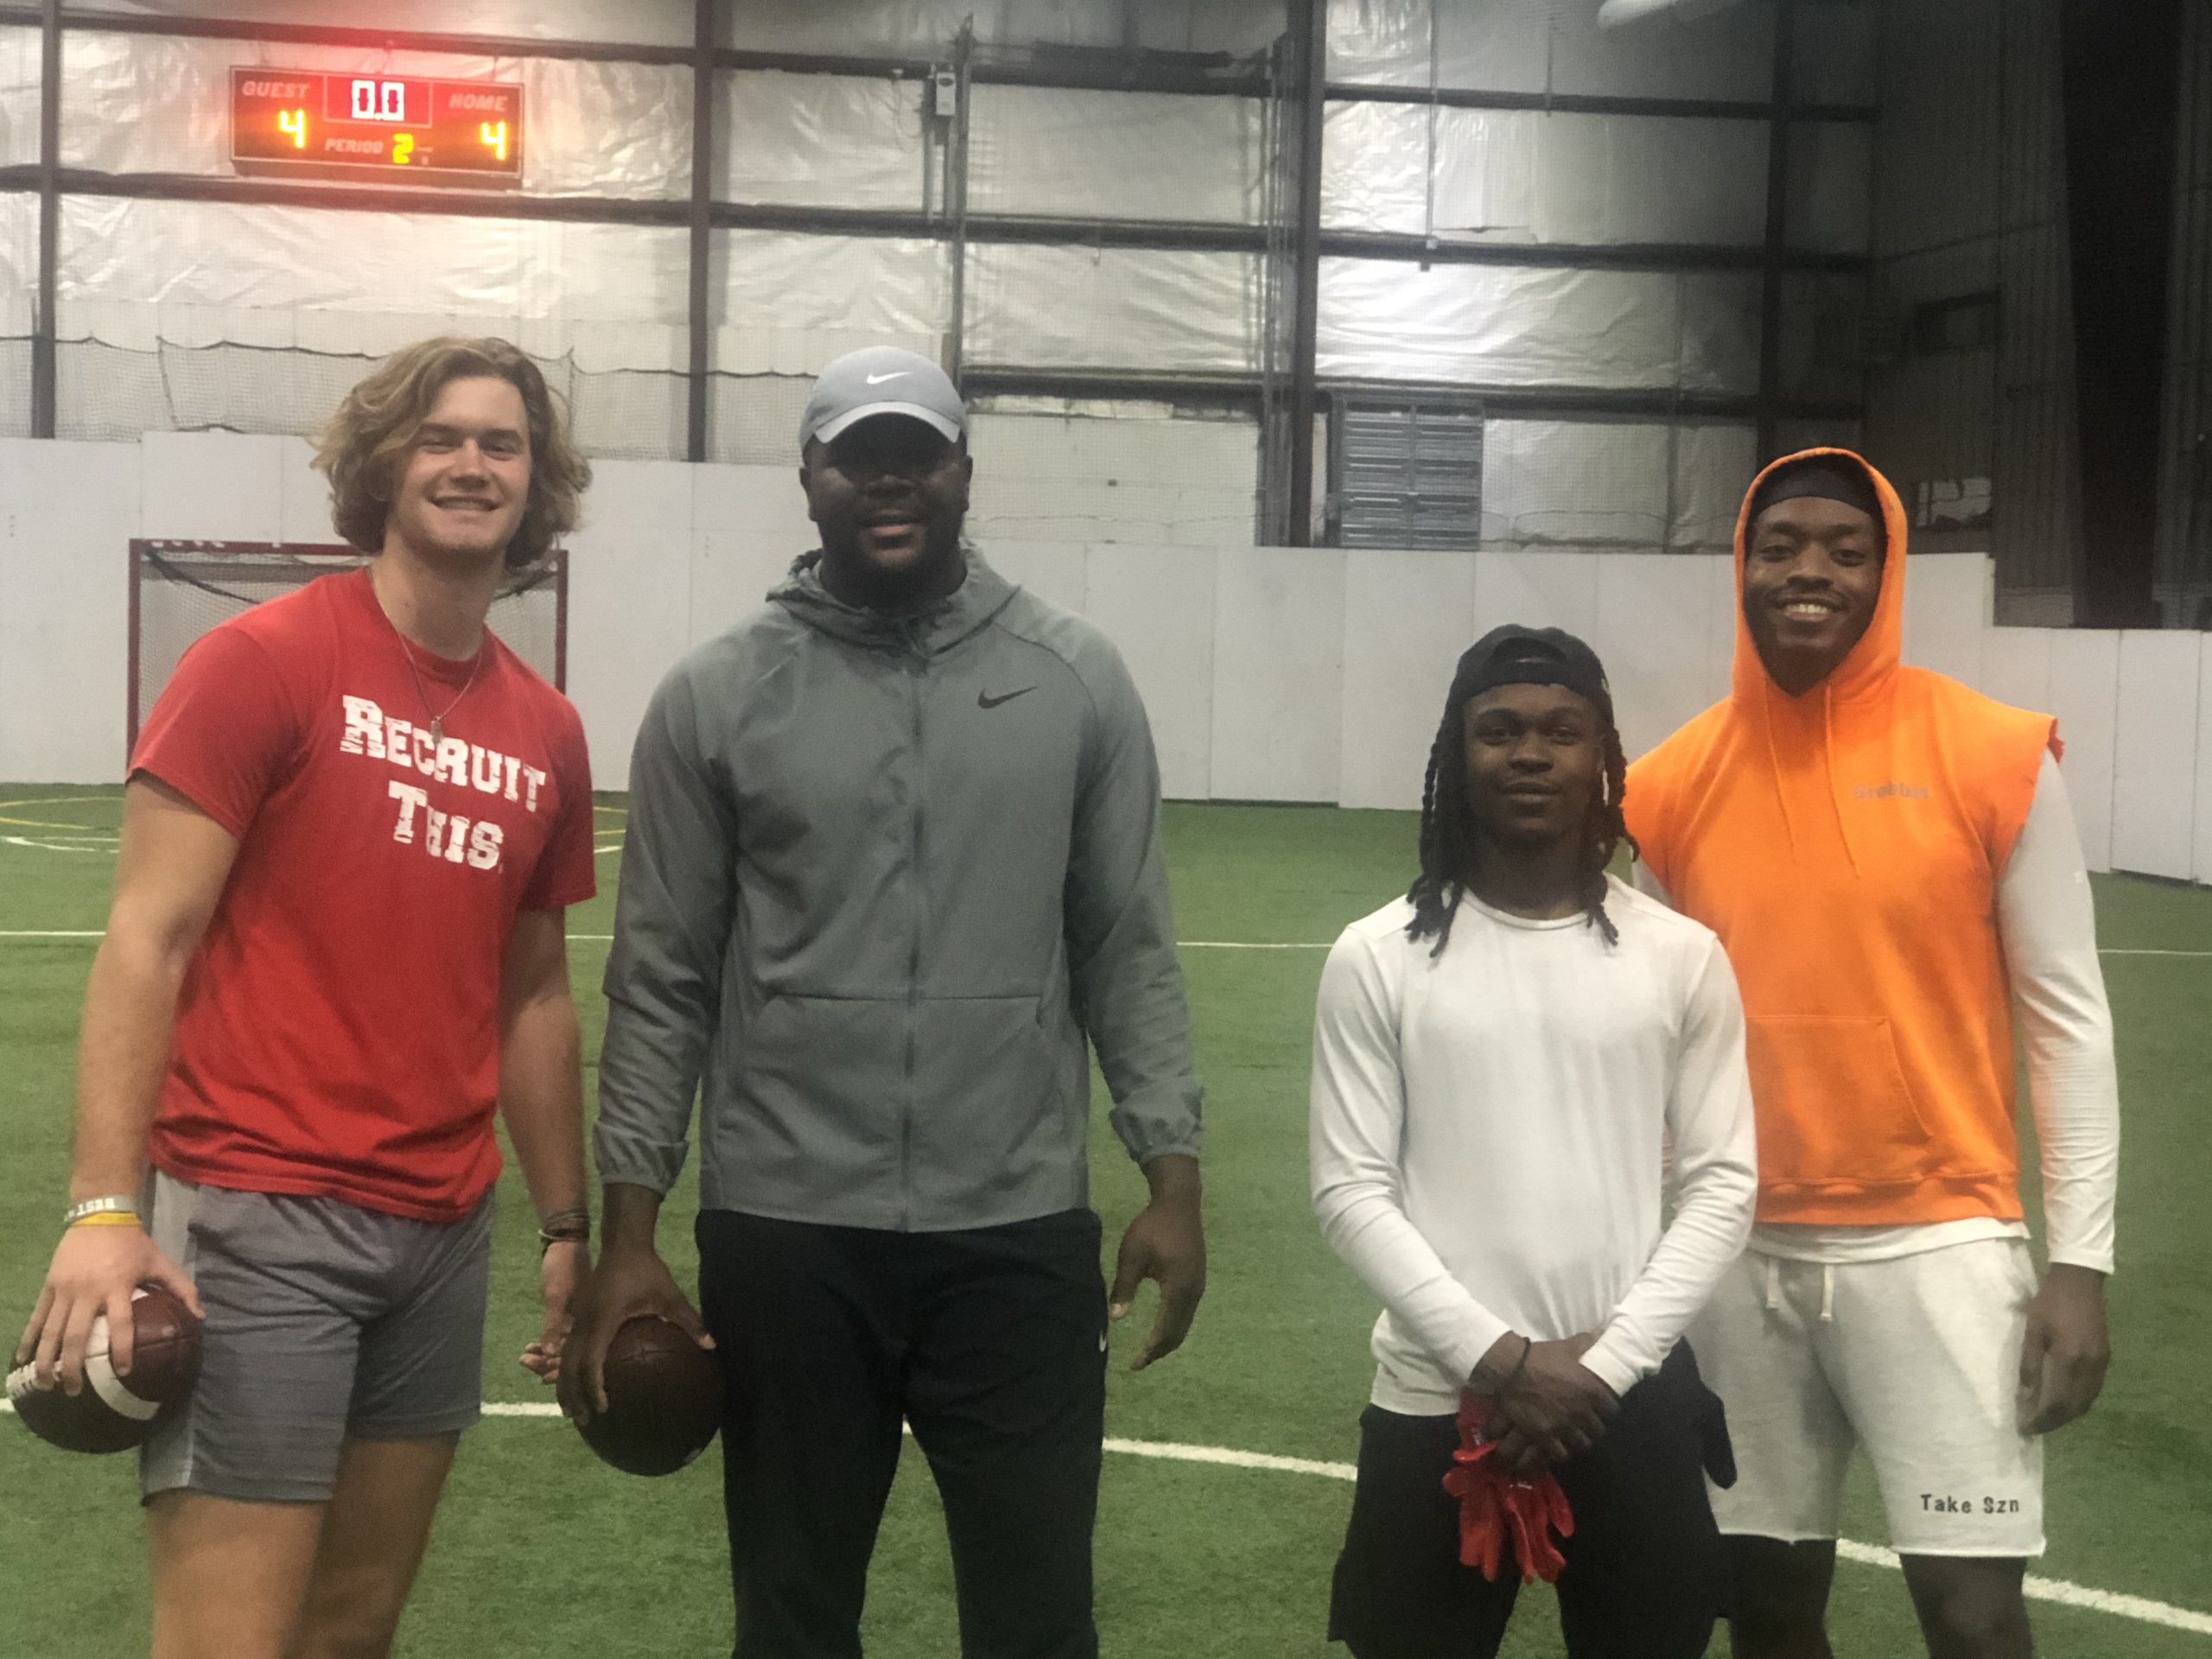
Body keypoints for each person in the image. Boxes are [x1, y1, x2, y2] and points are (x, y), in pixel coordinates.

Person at [563, 345, 1206, 1659]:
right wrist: (631, 1229)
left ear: (966, 470)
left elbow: (1126, 944)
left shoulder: (1075, 676)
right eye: (858, 455)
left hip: (1017, 1228)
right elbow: (661, 975)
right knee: (793, 1617)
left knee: (1038, 1620)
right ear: (809, 478)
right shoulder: (716, 695)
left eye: (918, 452)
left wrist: (1171, 1180)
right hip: (788, 1232)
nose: (890, 478)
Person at [11, 335, 599, 1659]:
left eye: (501, 443)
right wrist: (105, 1212)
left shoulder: (546, 730)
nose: (470, 463)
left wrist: (563, 1222)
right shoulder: (260, 662)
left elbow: (536, 996)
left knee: (351, 1630)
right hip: (259, 1213)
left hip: (440, 1234)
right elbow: (145, 939)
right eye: (441, 437)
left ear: (536, 480)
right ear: (386, 465)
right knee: (231, 1639)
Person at [1626, 450, 2121, 1659]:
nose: (1810, 572)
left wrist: (2083, 1264)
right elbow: (1645, 1035)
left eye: (1847, 551)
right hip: (1732, 1248)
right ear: (1742, 565)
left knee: (1973, 1618)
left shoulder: (1992, 755)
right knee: (1767, 1607)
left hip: (1942, 1245)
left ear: (1888, 571)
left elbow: (2066, 1016)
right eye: (1781, 545)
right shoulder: (1668, 784)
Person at [1310, 625, 1758, 1659]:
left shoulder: (1680, 957)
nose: (1528, 753)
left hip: (1630, 1398)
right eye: (1498, 730)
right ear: (1454, 756)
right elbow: (1348, 1190)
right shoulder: (1377, 957)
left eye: (1562, 731)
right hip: (1436, 1399)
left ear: (1603, 758)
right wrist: (1498, 1358)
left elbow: (1723, 1182)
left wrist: (1599, 1369)